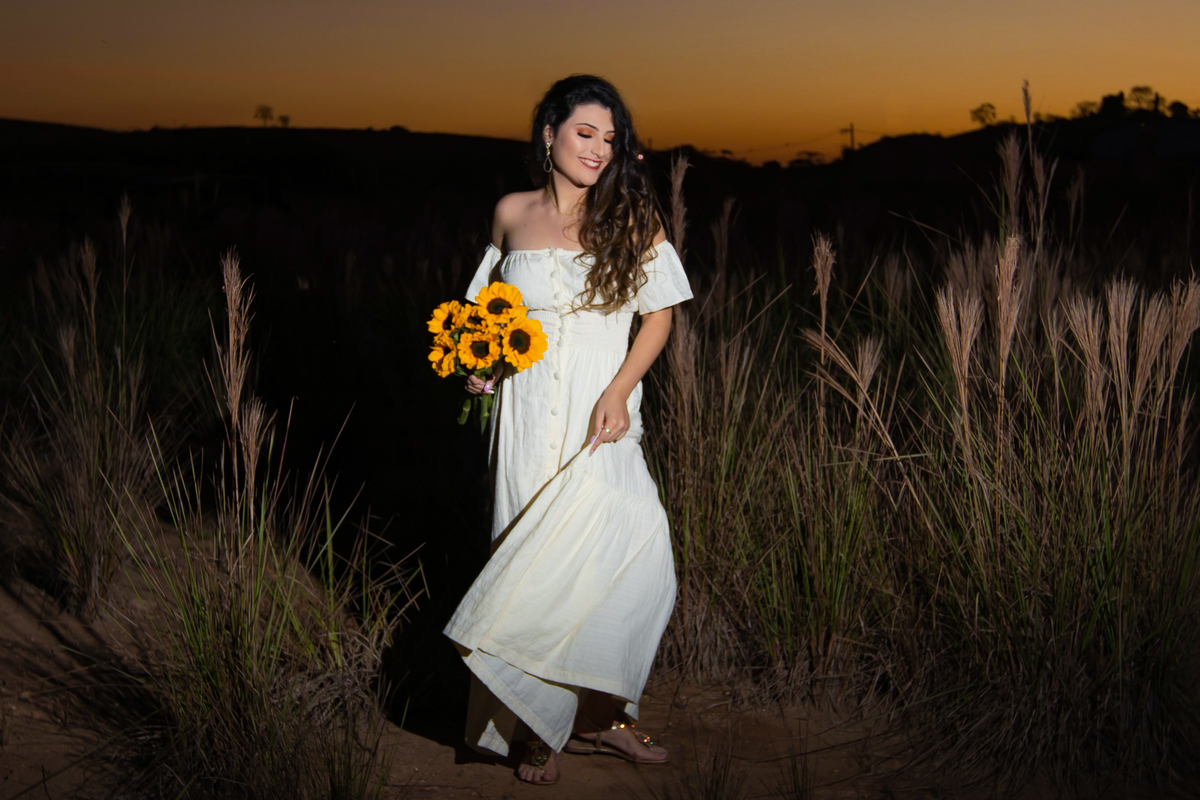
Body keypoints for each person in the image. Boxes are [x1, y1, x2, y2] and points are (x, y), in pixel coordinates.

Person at [442, 75, 693, 786]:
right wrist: (477, 364)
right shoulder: (511, 214)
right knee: (534, 569)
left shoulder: (630, 217)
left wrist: (620, 389)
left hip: (599, 410)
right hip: (524, 416)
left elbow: (660, 315)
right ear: (549, 132)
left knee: (637, 552)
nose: (598, 148)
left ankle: (603, 715)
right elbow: (482, 309)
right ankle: (538, 729)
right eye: (586, 132)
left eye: (610, 139)